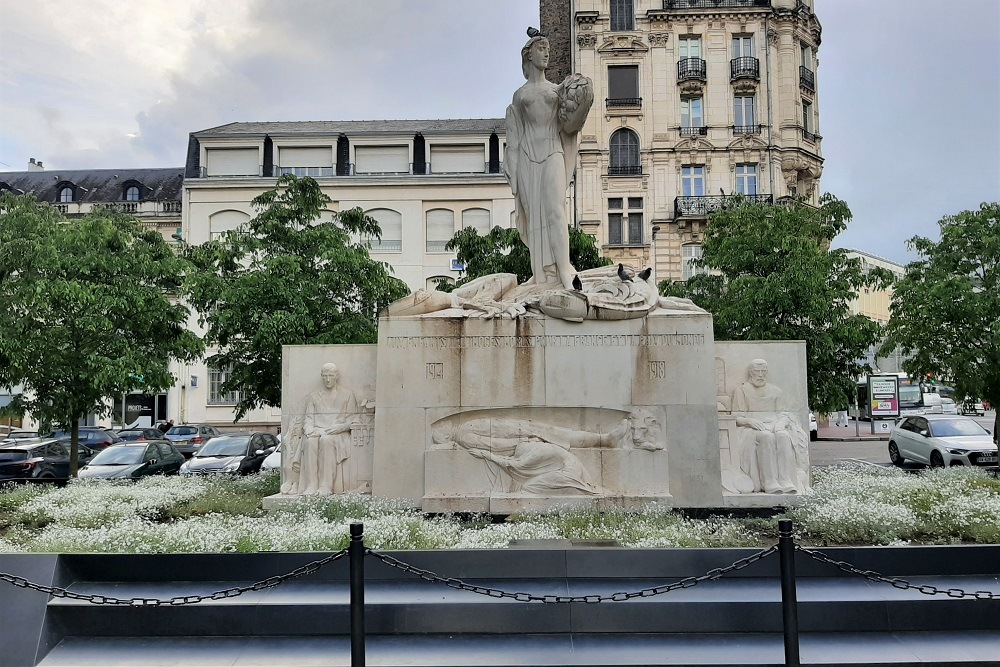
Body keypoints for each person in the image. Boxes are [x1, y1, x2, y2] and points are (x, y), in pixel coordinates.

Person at [504, 32, 593, 290]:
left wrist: (584, 102)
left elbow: (569, 127)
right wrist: (514, 176)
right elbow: (515, 137)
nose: (547, 53)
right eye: (541, 48)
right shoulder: (519, 96)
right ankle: (540, 275)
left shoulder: (557, 91)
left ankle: (563, 268)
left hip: (553, 152)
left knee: (555, 210)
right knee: (533, 218)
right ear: (529, 54)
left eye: (548, 49)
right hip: (527, 159)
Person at [731, 359, 808, 494]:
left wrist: (781, 423)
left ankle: (785, 480)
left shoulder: (776, 391)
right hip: (750, 430)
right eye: (757, 371)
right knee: (766, 437)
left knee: (783, 436)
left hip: (773, 425)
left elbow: (784, 413)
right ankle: (769, 481)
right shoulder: (741, 390)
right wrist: (750, 421)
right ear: (751, 372)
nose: (760, 375)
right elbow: (736, 417)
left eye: (763, 371)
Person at [300, 363, 361, 495]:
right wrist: (309, 430)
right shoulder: (314, 396)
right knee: (310, 442)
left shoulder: (347, 395)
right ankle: (311, 485)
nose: (328, 379)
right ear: (321, 377)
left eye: (331, 376)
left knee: (326, 441)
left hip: (338, 434)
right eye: (325, 376)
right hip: (318, 431)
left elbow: (354, 419)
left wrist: (340, 427)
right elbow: (309, 419)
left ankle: (325, 486)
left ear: (336, 376)